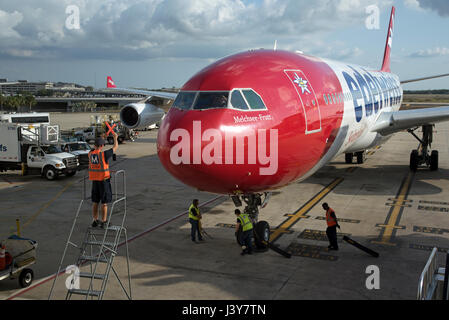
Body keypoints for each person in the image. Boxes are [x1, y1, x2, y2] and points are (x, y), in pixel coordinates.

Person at [89, 131, 118, 228]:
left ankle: (95, 220)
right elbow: (115, 147)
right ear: (102, 146)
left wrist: (101, 138)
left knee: (95, 202)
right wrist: (115, 138)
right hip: (104, 181)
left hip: (95, 181)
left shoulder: (90, 154)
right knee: (104, 202)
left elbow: (94, 149)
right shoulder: (103, 155)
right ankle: (104, 221)